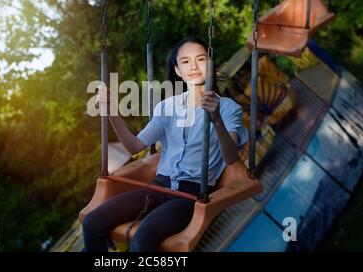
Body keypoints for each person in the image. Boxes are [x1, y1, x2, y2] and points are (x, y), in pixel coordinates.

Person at [83, 36, 248, 252]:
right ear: (178, 70)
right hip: (158, 186)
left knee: (143, 240)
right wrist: (112, 112)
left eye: (200, 59)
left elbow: (230, 157)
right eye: (185, 62)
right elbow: (134, 146)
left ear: (211, 64)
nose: (194, 66)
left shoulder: (227, 108)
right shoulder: (167, 107)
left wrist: (216, 119)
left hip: (191, 196)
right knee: (92, 223)